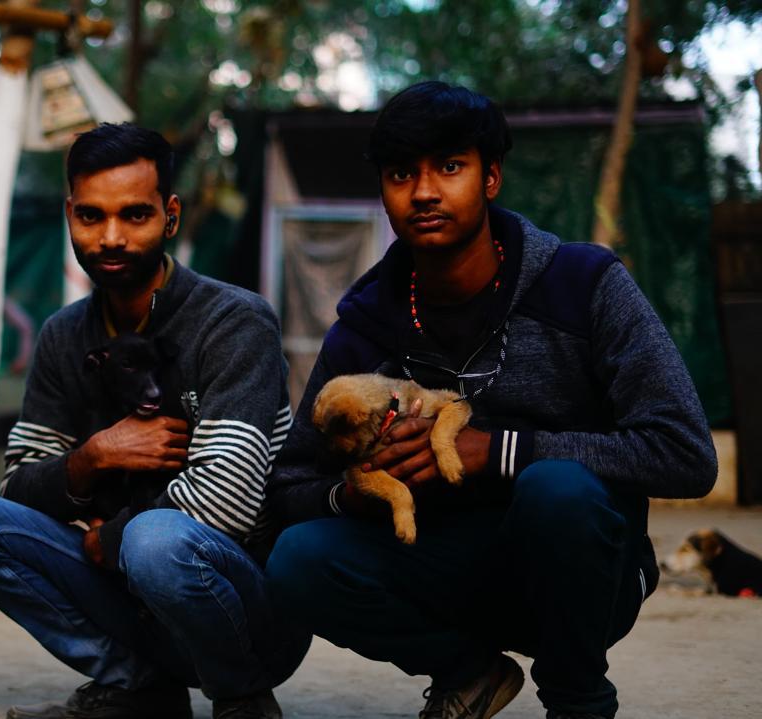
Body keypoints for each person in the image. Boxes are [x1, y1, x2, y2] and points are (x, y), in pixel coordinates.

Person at [263, 81, 717, 719]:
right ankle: (466, 672)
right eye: (401, 174)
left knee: (557, 491)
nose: (424, 192)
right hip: (441, 564)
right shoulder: (365, 324)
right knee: (298, 559)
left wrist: (500, 452)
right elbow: (289, 486)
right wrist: (359, 487)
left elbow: (686, 454)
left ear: (492, 177)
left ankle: (578, 701)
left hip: (583, 572)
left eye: (449, 167)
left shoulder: (584, 284)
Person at [0, 123, 310, 719]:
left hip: (244, 614)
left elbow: (231, 503)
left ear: (169, 216)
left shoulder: (233, 321)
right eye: (91, 217)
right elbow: (18, 486)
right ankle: (136, 687)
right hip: (127, 600)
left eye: (134, 216)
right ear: (70, 215)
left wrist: (106, 536)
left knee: (154, 539)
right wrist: (94, 457)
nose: (110, 237)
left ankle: (242, 696)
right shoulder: (65, 335)